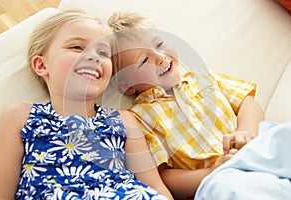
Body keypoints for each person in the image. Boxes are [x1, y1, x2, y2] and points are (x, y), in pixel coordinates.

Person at [0, 10, 173, 200]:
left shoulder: (123, 120)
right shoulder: (20, 116)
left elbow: (155, 188)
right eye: (77, 47)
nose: (94, 57)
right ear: (42, 65)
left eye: (103, 53)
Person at [108, 12, 264, 198]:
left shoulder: (203, 78)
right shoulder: (140, 117)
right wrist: (212, 172)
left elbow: (248, 103)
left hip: (254, 151)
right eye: (143, 60)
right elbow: (165, 177)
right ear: (127, 87)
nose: (160, 56)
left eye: (159, 44)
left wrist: (245, 131)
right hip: (215, 181)